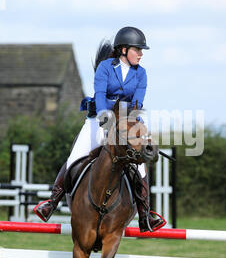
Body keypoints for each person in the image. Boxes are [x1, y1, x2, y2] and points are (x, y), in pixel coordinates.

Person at [33, 26, 165, 232]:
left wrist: (129, 124)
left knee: (140, 166)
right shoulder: (105, 67)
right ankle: (52, 202)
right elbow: (100, 94)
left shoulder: (142, 74)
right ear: (123, 50)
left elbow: (137, 101)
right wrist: (106, 117)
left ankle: (145, 214)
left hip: (127, 119)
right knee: (75, 157)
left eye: (142, 51)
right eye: (137, 50)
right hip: (98, 118)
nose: (141, 54)